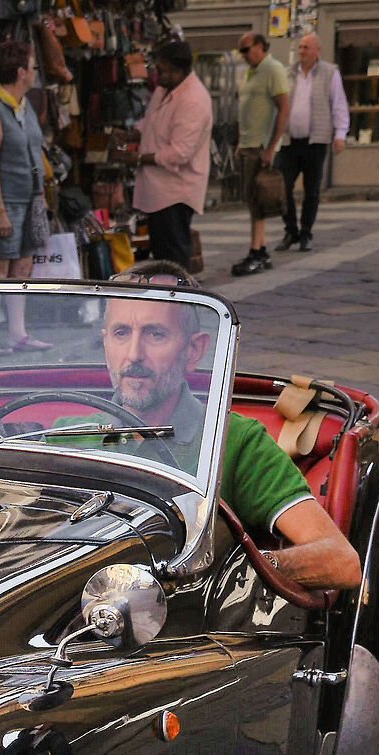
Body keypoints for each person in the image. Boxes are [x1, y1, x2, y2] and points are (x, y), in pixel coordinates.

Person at [100, 297, 361, 588]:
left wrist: (252, 568)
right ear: (105, 342)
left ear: (194, 349)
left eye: (155, 334)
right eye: (121, 333)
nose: (134, 354)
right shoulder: (64, 434)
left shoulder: (234, 438)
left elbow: (341, 561)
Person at [0, 39, 49, 355]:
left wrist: (41, 194)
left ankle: (18, 332)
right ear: (20, 72)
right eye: (32, 67)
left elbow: (36, 150)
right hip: (4, 201)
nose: (35, 72)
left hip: (28, 198)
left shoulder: (24, 105)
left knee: (21, 268)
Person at [133, 38, 214, 270]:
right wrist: (132, 134)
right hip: (158, 191)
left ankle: (179, 300)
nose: (157, 75)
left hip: (175, 192)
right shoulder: (165, 89)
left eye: (162, 70)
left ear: (179, 71)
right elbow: (152, 122)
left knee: (173, 258)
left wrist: (139, 159)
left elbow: (179, 153)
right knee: (162, 256)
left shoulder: (193, 100)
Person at [280, 32, 349, 252]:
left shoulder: (330, 73)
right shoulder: (288, 73)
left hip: (316, 141)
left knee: (312, 190)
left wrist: (340, 135)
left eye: (306, 47)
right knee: (282, 187)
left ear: (317, 50)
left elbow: (339, 105)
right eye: (300, 47)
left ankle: (306, 233)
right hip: (289, 141)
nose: (301, 51)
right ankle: (291, 231)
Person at [230, 30, 290, 278]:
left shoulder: (273, 69)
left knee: (257, 200)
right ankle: (261, 250)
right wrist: (240, 143)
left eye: (246, 49)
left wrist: (270, 147)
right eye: (240, 51)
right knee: (252, 199)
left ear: (259, 46)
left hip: (260, 146)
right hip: (247, 144)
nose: (243, 55)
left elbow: (283, 108)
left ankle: (256, 252)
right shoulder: (250, 73)